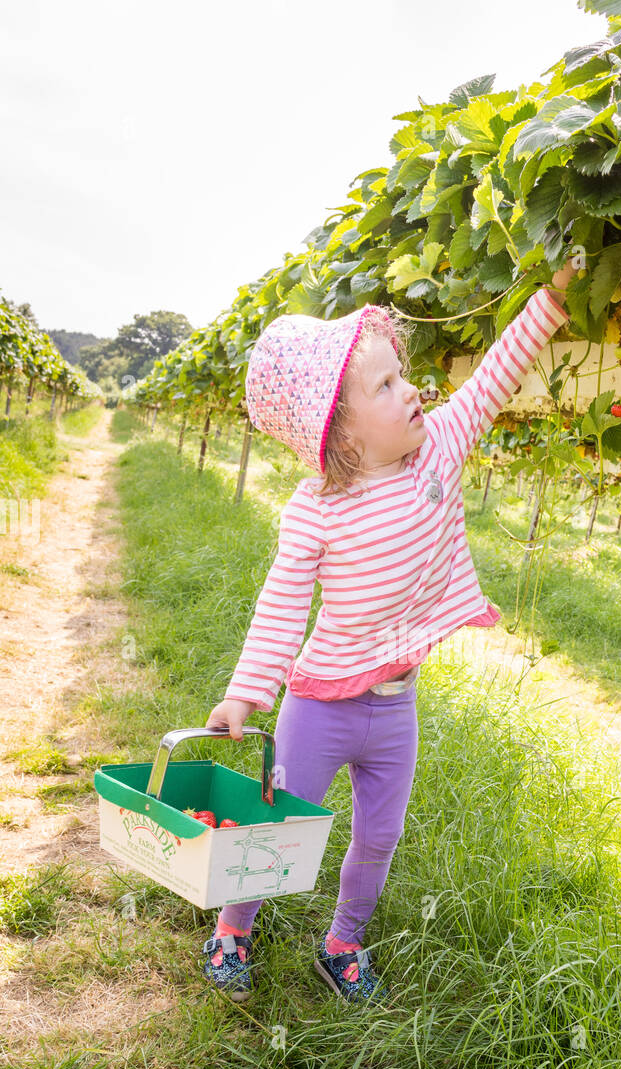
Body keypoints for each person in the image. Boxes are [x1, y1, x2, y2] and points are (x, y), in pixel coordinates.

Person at [203, 259, 575, 1003]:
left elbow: (496, 374)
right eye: (385, 385)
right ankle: (232, 928)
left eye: (403, 375)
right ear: (337, 434)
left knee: (379, 836)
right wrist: (245, 696)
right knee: (277, 827)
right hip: (320, 706)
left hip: (394, 707)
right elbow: (281, 605)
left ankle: (342, 942)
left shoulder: (439, 446)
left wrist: (554, 299)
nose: (412, 391)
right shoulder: (316, 508)